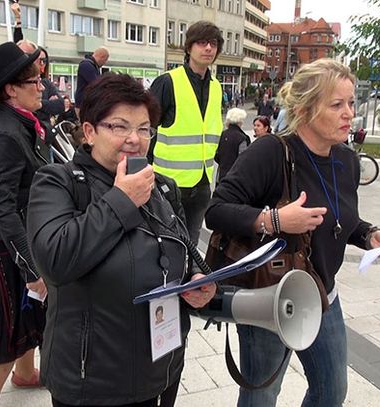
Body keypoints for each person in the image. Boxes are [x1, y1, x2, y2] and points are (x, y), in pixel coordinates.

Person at [205, 59, 380, 407]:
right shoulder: (271, 151)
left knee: (331, 391)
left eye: (351, 103)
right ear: (305, 109)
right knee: (262, 393)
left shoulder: (347, 161)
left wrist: (369, 235)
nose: (348, 113)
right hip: (269, 296)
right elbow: (216, 211)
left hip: (323, 295)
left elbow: (337, 219)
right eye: (336, 104)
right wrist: (275, 220)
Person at [26, 73, 216, 406]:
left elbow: (179, 252)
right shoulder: (58, 183)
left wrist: (194, 281)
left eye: (144, 129)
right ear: (89, 132)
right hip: (95, 380)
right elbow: (55, 260)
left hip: (162, 363)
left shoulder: (162, 186)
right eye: (119, 127)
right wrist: (122, 200)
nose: (134, 138)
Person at [0, 42, 51, 406]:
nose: (42, 85)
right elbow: (3, 210)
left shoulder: (19, 122)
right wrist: (32, 268)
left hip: (16, 237)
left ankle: (24, 374)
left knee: (27, 313)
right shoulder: (4, 133)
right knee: (2, 332)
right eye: (33, 80)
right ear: (10, 90)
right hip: (2, 245)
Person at [150, 20, 224, 244]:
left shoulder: (216, 87)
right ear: (189, 47)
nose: (208, 48)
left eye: (213, 44)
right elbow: (145, 129)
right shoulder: (168, 82)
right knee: (166, 242)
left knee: (190, 246)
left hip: (201, 184)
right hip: (168, 184)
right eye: (202, 43)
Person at [215, 108, 250, 183]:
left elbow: (216, 153)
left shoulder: (222, 135)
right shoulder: (242, 138)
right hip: (236, 176)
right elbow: (243, 159)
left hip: (222, 173)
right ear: (240, 122)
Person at [74, 46, 110, 111]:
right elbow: (96, 84)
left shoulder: (93, 66)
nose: (104, 63)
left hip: (87, 104)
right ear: (102, 57)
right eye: (105, 60)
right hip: (84, 105)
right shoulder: (86, 65)